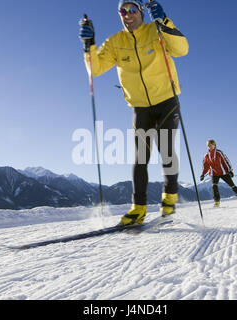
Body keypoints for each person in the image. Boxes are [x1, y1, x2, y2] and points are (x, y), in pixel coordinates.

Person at [79, 0, 189, 225]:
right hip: (140, 107)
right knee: (140, 158)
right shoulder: (116, 42)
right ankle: (138, 208)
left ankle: (169, 199)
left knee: (166, 150)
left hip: (167, 100)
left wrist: (164, 20)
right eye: (123, 11)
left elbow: (181, 49)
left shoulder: (155, 29)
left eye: (132, 10)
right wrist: (88, 44)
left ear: (141, 11)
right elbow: (96, 69)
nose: (128, 14)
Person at [200, 139, 237, 207]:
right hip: (214, 173)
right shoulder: (206, 155)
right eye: (208, 146)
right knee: (214, 186)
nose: (210, 147)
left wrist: (230, 171)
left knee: (233, 187)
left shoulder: (219, 153)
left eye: (211, 145)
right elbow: (205, 165)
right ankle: (217, 202)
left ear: (214, 145)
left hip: (223, 172)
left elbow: (226, 161)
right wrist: (203, 174)